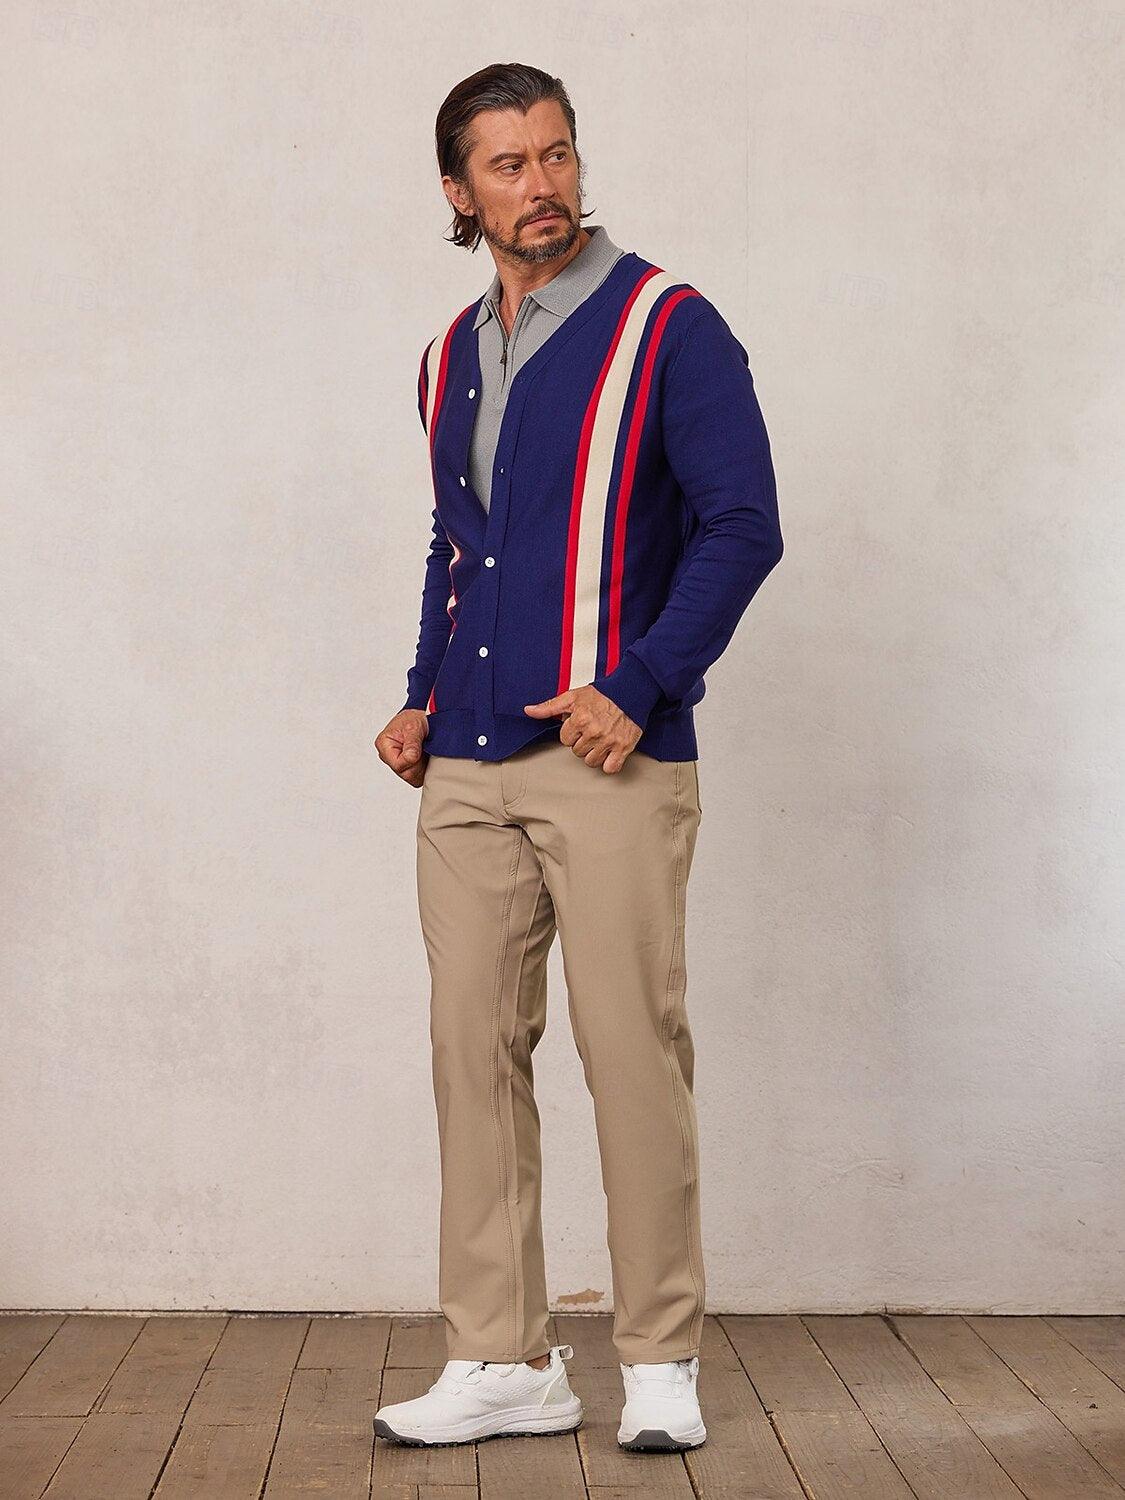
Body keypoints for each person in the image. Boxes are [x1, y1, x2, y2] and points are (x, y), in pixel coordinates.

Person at [373, 60, 782, 1454]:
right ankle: (502, 1358)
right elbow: (460, 547)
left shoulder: (670, 325)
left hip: (610, 758)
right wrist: (420, 696)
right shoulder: (447, 356)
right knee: (470, 1056)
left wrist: (639, 685)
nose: (540, 185)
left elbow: (741, 526)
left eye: (555, 154)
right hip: (466, 766)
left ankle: (658, 1357)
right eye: (507, 165)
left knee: (630, 1051)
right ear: (458, 191)